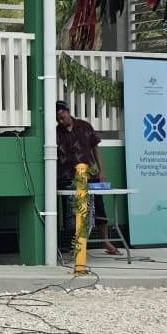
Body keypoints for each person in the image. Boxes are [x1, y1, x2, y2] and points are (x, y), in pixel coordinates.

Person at [56, 101, 120, 256]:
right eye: (57, 118)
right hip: (68, 177)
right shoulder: (56, 132)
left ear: (67, 112)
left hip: (90, 175)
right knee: (72, 212)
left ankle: (105, 240)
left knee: (98, 208)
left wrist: (102, 170)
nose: (60, 120)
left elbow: (95, 149)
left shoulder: (84, 127)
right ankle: (76, 244)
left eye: (61, 115)